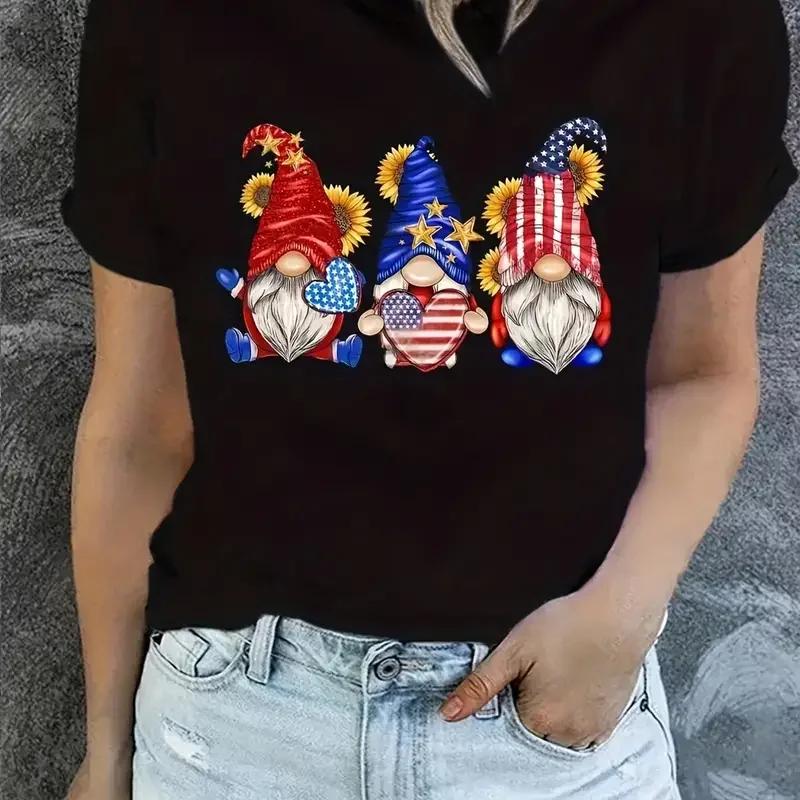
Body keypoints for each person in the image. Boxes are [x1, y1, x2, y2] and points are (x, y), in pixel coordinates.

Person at [61, 0, 796, 798]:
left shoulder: (692, 19)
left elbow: (703, 373)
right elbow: (140, 426)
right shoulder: (166, 19)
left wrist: (623, 611)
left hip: (551, 729)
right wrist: (106, 755)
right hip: (234, 725)